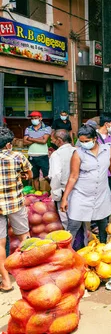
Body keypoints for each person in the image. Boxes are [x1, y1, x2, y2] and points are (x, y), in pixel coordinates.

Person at [60, 125, 111, 248]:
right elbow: (73, 177)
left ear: (95, 138)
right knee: (74, 224)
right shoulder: (77, 153)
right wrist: (65, 198)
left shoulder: (107, 150)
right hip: (80, 195)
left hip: (101, 194)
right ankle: (67, 253)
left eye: (86, 141)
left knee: (103, 223)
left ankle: (103, 248)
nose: (83, 144)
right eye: (81, 142)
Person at [0, 127, 32, 292]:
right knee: (24, 237)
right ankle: (33, 274)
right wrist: (24, 175)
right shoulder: (18, 156)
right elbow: (29, 174)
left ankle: (6, 282)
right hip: (15, 203)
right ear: (7, 145)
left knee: (0, 244)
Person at [48, 129, 75, 229]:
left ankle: (71, 242)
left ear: (59, 140)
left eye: (53, 140)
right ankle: (81, 242)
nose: (52, 142)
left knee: (66, 221)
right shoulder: (76, 151)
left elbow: (56, 175)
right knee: (77, 219)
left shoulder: (56, 154)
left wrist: (55, 194)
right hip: (78, 190)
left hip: (63, 191)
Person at [23, 111, 52, 191]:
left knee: (47, 176)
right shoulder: (28, 129)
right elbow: (24, 142)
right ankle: (37, 194)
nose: (33, 120)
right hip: (32, 156)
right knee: (34, 177)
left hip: (43, 156)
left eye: (35, 118)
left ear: (40, 118)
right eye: (32, 118)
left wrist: (30, 138)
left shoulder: (47, 128)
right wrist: (39, 138)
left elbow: (44, 141)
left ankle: (53, 193)